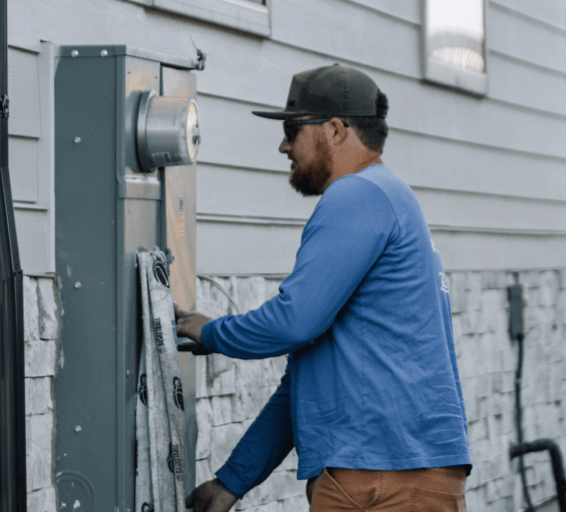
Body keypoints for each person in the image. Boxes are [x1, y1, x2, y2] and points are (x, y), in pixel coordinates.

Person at [175, 64, 472, 512]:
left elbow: (294, 321)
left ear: (335, 129)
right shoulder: (386, 197)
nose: (283, 145)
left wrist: (212, 331)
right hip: (392, 472)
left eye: (292, 129)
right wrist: (231, 482)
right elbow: (307, 379)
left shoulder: (358, 195)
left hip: (382, 480)